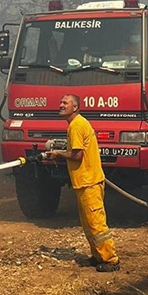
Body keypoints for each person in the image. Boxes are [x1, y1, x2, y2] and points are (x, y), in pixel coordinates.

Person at [44, 94, 120, 272]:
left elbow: (77, 156)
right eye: (61, 102)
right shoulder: (75, 124)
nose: (61, 105)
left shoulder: (77, 125)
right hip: (84, 182)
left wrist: (58, 153)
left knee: (96, 224)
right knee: (88, 223)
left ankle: (111, 260)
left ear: (75, 107)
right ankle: (98, 255)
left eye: (65, 103)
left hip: (89, 182)